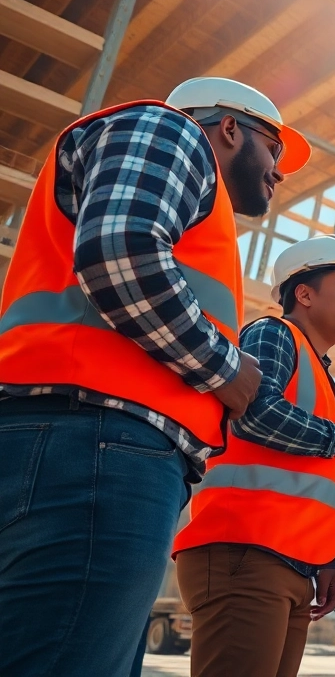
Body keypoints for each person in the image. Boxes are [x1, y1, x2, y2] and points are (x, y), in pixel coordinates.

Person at [0, 76, 309, 675]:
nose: (278, 171)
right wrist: (226, 371)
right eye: (273, 149)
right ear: (228, 128)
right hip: (99, 443)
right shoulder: (169, 131)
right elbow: (121, 251)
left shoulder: (193, 194)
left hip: (78, 443)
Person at [172, 234, 335, 677]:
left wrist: (326, 560)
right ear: (304, 294)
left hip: (289, 565)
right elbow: (256, 414)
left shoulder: (320, 372)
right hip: (245, 553)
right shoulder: (273, 332)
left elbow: (314, 480)